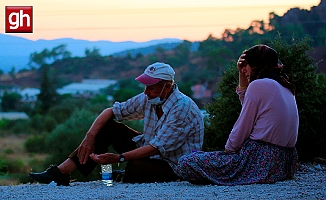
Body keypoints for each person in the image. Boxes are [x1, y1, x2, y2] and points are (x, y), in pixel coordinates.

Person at [29, 62, 204, 186]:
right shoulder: (150, 98)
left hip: (172, 164)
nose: (146, 92)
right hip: (151, 152)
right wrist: (89, 138)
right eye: (145, 86)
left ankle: (124, 174)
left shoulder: (182, 108)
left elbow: (156, 148)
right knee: (108, 127)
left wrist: (118, 158)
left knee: (135, 168)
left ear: (167, 87)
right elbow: (111, 111)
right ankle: (60, 173)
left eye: (150, 87)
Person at [175, 44, 299, 185]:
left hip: (259, 159)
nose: (244, 69)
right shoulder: (285, 86)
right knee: (196, 156)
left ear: (257, 65)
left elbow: (243, 125)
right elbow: (248, 104)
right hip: (285, 162)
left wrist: (229, 150)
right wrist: (242, 75)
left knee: (186, 161)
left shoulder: (258, 85)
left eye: (247, 65)